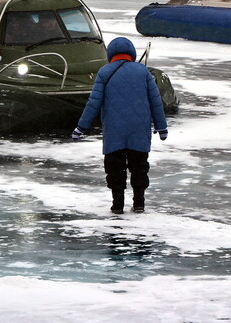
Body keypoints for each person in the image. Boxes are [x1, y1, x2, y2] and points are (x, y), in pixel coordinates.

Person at [72, 37, 168, 214]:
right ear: (131, 53)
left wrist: (81, 127)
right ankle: (139, 202)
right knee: (139, 166)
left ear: (111, 54)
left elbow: (93, 103)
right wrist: (161, 127)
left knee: (115, 167)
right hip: (139, 128)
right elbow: (156, 102)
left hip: (114, 129)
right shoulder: (143, 72)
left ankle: (117, 205)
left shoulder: (104, 72)